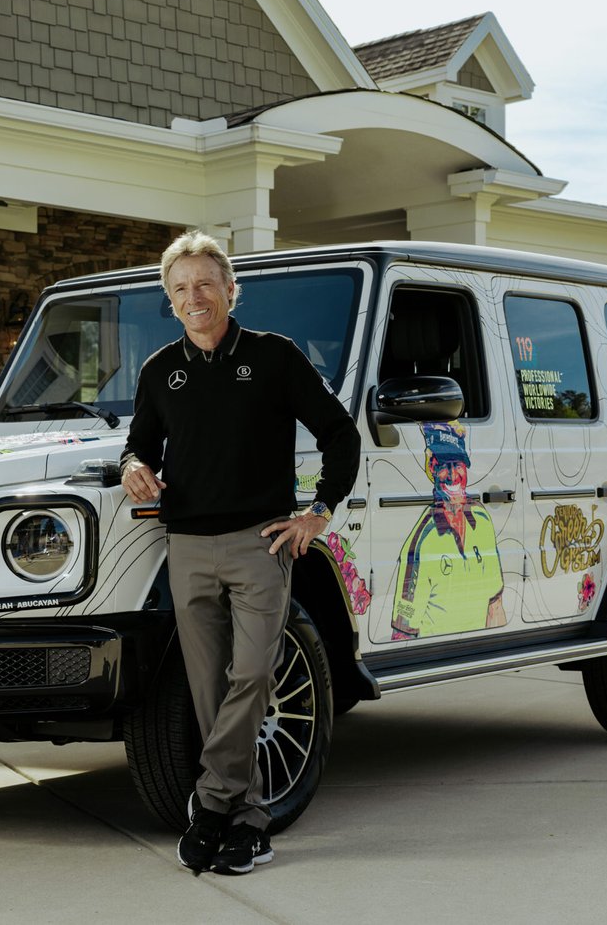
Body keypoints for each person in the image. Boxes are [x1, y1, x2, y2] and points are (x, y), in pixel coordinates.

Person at [120, 230, 359, 875]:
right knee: (207, 689)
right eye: (180, 289)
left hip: (260, 545)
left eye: (204, 284)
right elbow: (139, 443)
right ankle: (247, 821)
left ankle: (208, 806)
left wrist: (318, 513)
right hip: (188, 548)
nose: (193, 297)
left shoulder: (275, 358)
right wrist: (134, 466)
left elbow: (340, 433)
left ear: (230, 289)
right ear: (170, 302)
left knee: (251, 677)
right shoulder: (158, 371)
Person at [390, 420, 508, 639]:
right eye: (444, 465)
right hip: (431, 655)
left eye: (458, 464)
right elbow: (404, 632)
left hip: (478, 651)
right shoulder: (422, 542)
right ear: (432, 468)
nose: (453, 475)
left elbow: (495, 605)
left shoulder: (482, 520)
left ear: (466, 468)